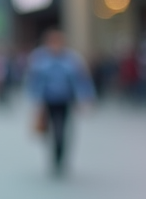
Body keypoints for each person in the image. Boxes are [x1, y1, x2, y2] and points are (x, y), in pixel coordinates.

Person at [26, 29, 95, 175]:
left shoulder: (72, 58)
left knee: (62, 129)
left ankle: (60, 157)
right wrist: (35, 99)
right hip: (47, 101)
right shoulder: (39, 58)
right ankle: (54, 154)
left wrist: (85, 98)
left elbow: (81, 80)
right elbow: (33, 81)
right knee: (50, 129)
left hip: (65, 100)